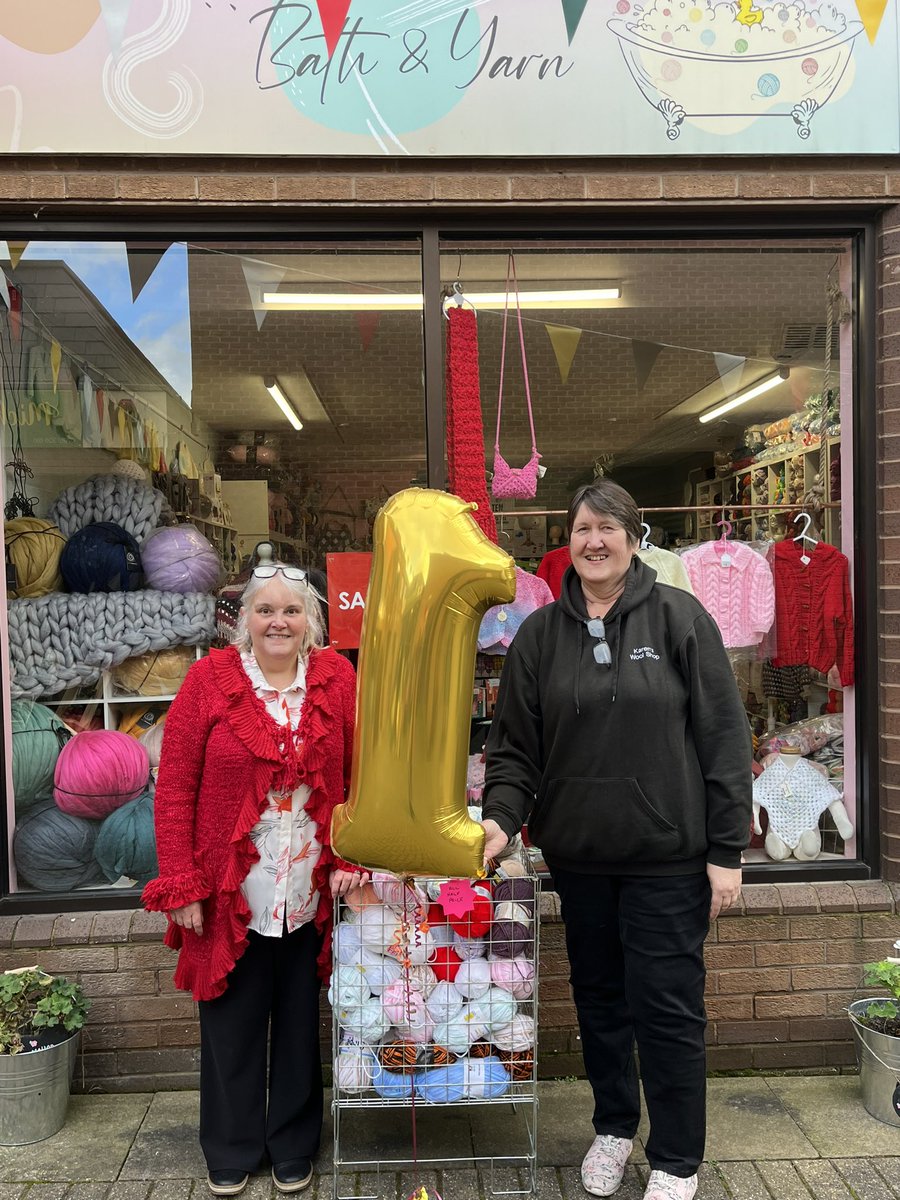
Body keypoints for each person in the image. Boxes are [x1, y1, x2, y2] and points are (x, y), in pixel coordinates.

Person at [480, 480, 751, 1200]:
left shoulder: (679, 617)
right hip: (580, 859)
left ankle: (677, 1158)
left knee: (666, 1006)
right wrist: (501, 819)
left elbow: (724, 739)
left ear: (635, 536)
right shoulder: (539, 634)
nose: (593, 540)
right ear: (567, 541)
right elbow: (515, 751)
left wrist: (726, 852)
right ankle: (612, 1128)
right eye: (581, 528)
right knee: (600, 1001)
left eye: (608, 527)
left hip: (669, 858)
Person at [143, 564, 364, 1198]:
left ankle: (294, 1144)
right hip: (230, 890)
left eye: (290, 611)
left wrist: (352, 859)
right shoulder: (210, 680)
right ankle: (232, 1145)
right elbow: (176, 785)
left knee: (300, 1022)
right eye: (265, 611)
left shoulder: (337, 678)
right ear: (245, 620)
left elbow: (357, 775)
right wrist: (181, 882)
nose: (278, 622)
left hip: (311, 888)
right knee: (232, 1023)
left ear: (310, 621)